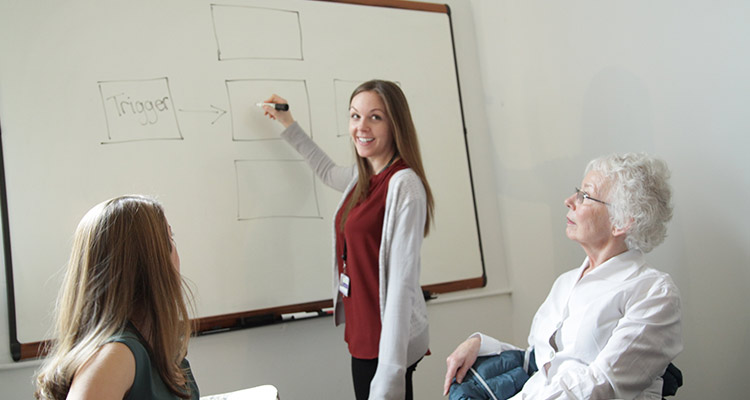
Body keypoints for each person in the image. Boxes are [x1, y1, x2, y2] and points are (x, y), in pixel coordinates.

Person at [444, 153, 682, 399]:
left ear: (621, 223)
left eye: (585, 195)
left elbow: (601, 385)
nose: (569, 200)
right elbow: (546, 361)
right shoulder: (566, 282)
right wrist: (480, 345)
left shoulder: (653, 292)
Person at [260, 79, 434, 400]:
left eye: (375, 117)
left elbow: (401, 286)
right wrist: (288, 122)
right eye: (355, 116)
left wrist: (390, 373)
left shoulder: (403, 185)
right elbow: (326, 170)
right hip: (364, 330)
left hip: (387, 339)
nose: (361, 127)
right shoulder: (362, 177)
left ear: (396, 124)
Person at [35, 195, 199, 400]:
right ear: (149, 264)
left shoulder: (157, 346)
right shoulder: (116, 356)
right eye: (169, 239)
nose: (176, 252)